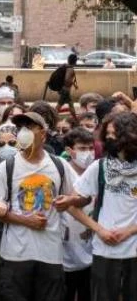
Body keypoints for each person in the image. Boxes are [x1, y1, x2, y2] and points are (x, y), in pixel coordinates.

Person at [0, 110, 75, 301]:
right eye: (21, 128)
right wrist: (26, 221)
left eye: (30, 127)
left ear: (43, 133)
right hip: (15, 256)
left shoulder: (59, 166)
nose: (24, 132)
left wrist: (69, 201)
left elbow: (78, 197)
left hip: (51, 254)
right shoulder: (7, 166)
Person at [68, 112, 137, 300]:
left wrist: (129, 231)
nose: (109, 138)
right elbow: (72, 205)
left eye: (114, 134)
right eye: (107, 134)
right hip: (104, 251)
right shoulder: (99, 167)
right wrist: (99, 230)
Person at [60, 127, 95, 301]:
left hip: (92, 247)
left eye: (91, 148)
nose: (88, 153)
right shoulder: (62, 171)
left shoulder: (97, 170)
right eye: (82, 148)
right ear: (69, 151)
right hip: (65, 248)